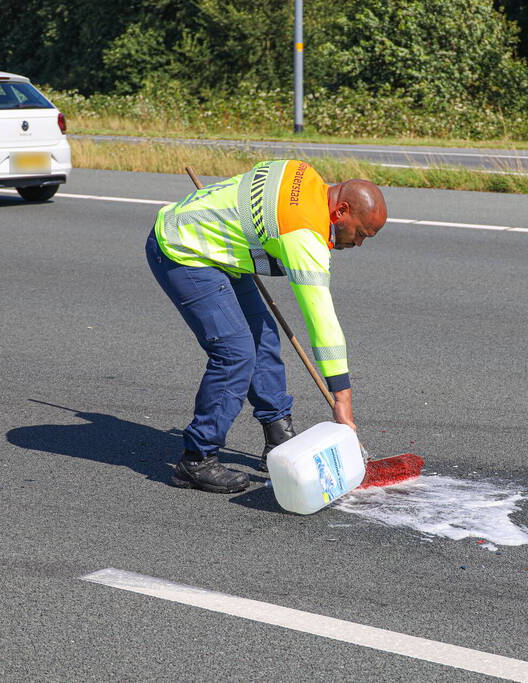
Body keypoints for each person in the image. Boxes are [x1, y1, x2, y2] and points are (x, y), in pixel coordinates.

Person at [145, 160, 388, 493]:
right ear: (341, 211)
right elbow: (321, 320)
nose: (358, 243)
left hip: (221, 246)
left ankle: (278, 436)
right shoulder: (303, 234)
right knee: (235, 353)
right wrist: (342, 399)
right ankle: (196, 459)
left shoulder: (302, 172)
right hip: (182, 248)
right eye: (360, 233)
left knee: (263, 336)